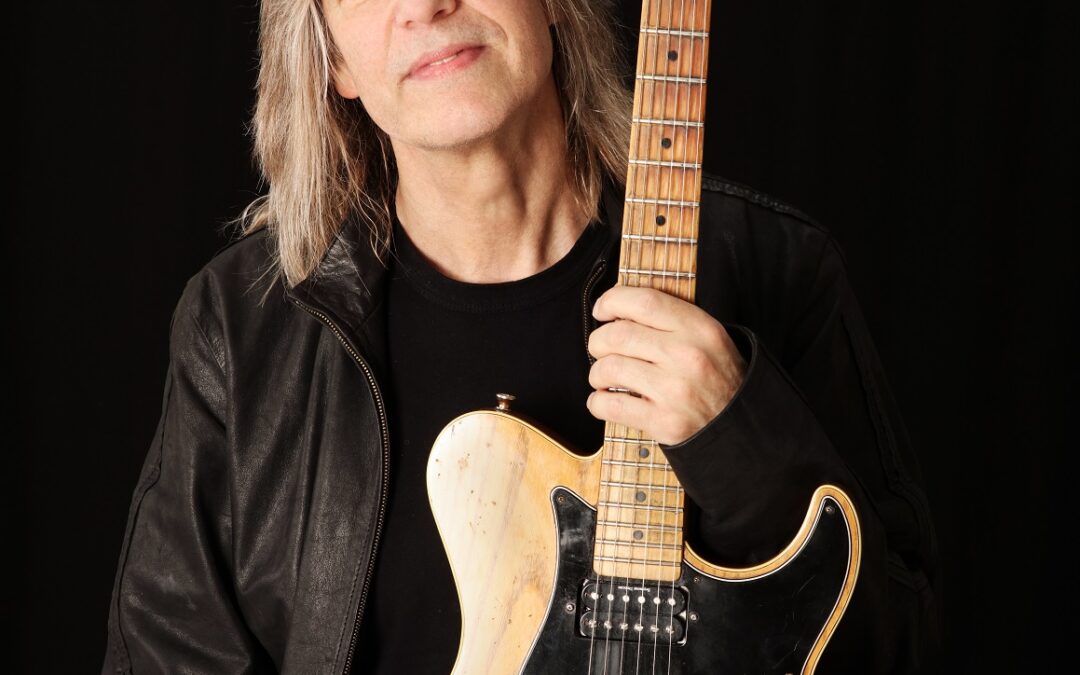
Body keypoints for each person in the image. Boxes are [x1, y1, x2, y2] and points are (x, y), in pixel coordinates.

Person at [103, 0, 940, 672]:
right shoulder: (241, 328)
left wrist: (743, 439)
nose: (426, 7)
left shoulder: (776, 269)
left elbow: (903, 647)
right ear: (335, 63)